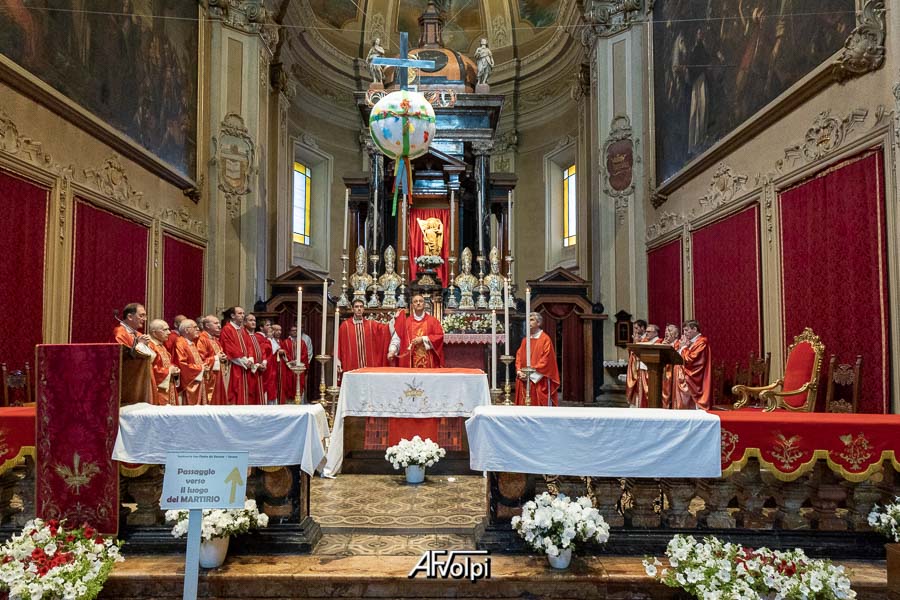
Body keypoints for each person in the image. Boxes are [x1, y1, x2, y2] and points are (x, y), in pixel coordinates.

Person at [387, 293, 448, 445]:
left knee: (427, 394)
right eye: (416, 301)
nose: (419, 303)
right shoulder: (406, 322)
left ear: (425, 304)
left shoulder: (432, 321)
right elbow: (397, 338)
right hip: (410, 364)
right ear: (412, 305)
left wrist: (424, 339)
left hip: (429, 365)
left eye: (421, 301)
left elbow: (440, 336)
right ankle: (410, 419)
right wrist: (392, 350)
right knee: (410, 394)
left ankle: (428, 418)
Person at [219, 306, 265, 405]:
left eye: (243, 313)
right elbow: (229, 347)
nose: (242, 315)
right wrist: (244, 360)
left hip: (245, 366)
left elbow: (249, 346)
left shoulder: (242, 330)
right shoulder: (227, 329)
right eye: (240, 313)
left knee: (247, 394)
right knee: (235, 392)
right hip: (235, 365)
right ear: (232, 315)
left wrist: (251, 359)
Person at [515, 312, 560, 406]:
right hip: (523, 378)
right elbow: (519, 357)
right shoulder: (525, 340)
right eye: (528, 320)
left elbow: (546, 361)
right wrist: (519, 371)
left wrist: (529, 375)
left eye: (531, 320)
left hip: (538, 380)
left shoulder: (545, 339)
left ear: (539, 323)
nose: (529, 323)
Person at [675, 320, 712, 410]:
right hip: (685, 378)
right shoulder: (691, 342)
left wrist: (683, 348)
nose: (684, 333)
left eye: (687, 330)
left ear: (695, 329)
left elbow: (690, 360)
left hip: (695, 379)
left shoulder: (701, 342)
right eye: (684, 331)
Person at [173, 319, 207, 406]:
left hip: (197, 381)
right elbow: (182, 364)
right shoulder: (180, 342)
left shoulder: (191, 343)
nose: (198, 329)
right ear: (186, 330)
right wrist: (201, 368)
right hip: (188, 384)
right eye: (195, 327)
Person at [197, 314, 228, 405]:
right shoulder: (201, 339)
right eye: (216, 323)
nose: (219, 325)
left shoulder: (215, 339)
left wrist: (223, 358)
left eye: (219, 323)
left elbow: (220, 354)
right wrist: (216, 358)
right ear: (207, 325)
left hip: (218, 376)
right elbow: (200, 359)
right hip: (209, 378)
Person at [147, 319, 179, 405]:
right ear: (154, 333)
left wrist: (174, 369)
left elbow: (166, 363)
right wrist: (168, 371)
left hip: (168, 386)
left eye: (168, 329)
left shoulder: (161, 346)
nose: (169, 332)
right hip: (158, 390)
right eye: (165, 330)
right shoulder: (149, 346)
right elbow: (149, 369)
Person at [626, 319, 648, 407]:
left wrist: (637, 343)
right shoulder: (636, 338)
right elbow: (631, 354)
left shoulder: (647, 339)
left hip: (643, 368)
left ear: (642, 328)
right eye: (634, 328)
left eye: (636, 328)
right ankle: (635, 403)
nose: (634, 330)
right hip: (635, 367)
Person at [661, 323, 680, 409]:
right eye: (666, 331)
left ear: (676, 334)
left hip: (674, 374)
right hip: (664, 373)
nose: (667, 333)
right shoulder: (663, 343)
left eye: (669, 330)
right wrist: (662, 347)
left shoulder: (679, 344)